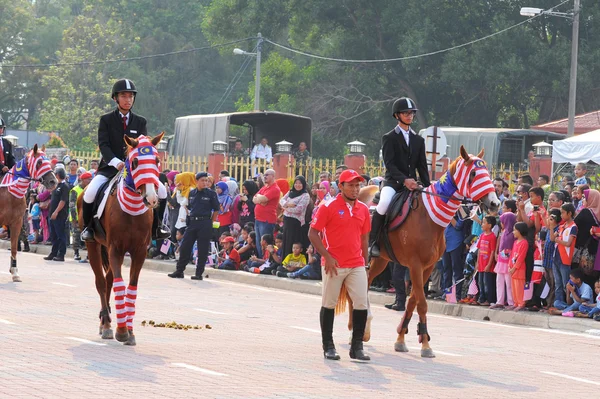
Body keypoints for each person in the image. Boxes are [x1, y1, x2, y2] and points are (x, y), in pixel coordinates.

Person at [80, 78, 169, 242]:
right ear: (116, 98)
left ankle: (157, 227)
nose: (128, 100)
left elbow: (143, 145)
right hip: (110, 167)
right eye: (124, 96)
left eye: (131, 96)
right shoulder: (106, 119)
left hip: (136, 170)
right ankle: (88, 228)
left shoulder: (140, 121)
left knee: (162, 191)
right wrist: (116, 162)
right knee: (90, 192)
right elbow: (103, 145)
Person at [309, 169, 371, 361]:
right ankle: (328, 345)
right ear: (341, 186)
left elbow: (364, 238)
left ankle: (357, 346)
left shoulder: (363, 209)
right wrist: (326, 256)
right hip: (333, 264)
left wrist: (365, 262)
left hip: (356, 263)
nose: (355, 189)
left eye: (358, 185)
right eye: (351, 185)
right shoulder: (328, 206)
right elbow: (313, 233)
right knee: (329, 303)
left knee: (361, 303)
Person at [370, 97, 431, 257]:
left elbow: (422, 167)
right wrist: (405, 180)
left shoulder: (418, 140)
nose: (409, 116)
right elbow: (389, 164)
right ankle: (373, 242)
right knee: (383, 204)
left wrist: (427, 186)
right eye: (406, 113)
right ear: (397, 115)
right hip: (393, 182)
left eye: (411, 113)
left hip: (413, 183)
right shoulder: (389, 137)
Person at [168, 172, 220, 280]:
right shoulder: (192, 193)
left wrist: (210, 222)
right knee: (185, 246)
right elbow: (189, 206)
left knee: (202, 249)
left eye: (206, 180)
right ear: (196, 181)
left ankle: (199, 273)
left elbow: (216, 209)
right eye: (202, 180)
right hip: (192, 222)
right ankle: (179, 271)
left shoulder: (211, 194)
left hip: (205, 223)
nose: (205, 182)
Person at [550, 203, 578, 305]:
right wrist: (551, 227)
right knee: (558, 283)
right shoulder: (561, 226)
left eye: (563, 213)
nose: (561, 215)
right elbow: (552, 238)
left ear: (569, 213)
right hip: (556, 257)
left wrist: (558, 241)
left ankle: (569, 303)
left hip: (565, 258)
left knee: (566, 282)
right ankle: (559, 303)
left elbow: (568, 243)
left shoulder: (573, 227)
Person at [490, 204, 517, 309]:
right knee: (499, 281)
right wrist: (497, 253)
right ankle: (499, 301)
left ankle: (511, 302)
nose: (501, 223)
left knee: (509, 283)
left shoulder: (513, 234)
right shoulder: (504, 232)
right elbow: (500, 244)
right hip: (501, 260)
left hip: (509, 261)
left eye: (503, 221)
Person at [280, 176, 311, 259]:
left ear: (303, 184)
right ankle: (285, 263)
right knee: (286, 242)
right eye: (296, 183)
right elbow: (281, 200)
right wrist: (289, 205)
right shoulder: (290, 192)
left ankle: (293, 265)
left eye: (300, 183)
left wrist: (286, 207)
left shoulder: (305, 195)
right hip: (287, 221)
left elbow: (299, 209)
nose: (298, 185)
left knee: (293, 244)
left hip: (296, 223)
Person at [252, 169, 281, 258]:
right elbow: (254, 198)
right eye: (264, 175)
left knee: (265, 242)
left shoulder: (275, 188)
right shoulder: (265, 188)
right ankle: (261, 260)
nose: (265, 177)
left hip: (267, 220)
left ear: (273, 176)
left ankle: (266, 260)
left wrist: (261, 200)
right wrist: (260, 200)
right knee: (259, 242)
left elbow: (263, 199)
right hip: (258, 219)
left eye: (267, 175)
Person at [43, 169, 70, 262]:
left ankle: (61, 254)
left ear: (57, 175)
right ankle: (53, 253)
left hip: (60, 215)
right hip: (52, 214)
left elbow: (63, 201)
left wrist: (56, 212)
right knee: (54, 235)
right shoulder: (56, 186)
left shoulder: (64, 186)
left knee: (60, 235)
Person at [69, 171, 92, 261]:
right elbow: (72, 205)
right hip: (77, 217)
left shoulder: (90, 189)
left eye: (91, 179)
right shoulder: (75, 190)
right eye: (88, 179)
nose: (90, 181)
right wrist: (75, 219)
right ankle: (76, 253)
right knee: (76, 236)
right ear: (82, 180)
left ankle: (89, 255)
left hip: (87, 217)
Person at [476, 216, 498, 306]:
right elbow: (479, 250)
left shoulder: (492, 237)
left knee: (487, 282)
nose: (482, 224)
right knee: (480, 282)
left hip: (487, 264)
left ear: (489, 225)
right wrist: (477, 262)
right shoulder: (482, 235)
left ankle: (489, 299)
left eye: (484, 222)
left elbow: (492, 251)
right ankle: (482, 298)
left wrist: (489, 264)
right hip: (481, 263)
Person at [509, 222, 529, 311]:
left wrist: (514, 268)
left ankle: (521, 303)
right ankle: (516, 302)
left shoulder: (524, 243)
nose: (513, 232)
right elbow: (512, 254)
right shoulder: (515, 242)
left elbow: (521, 257)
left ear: (520, 231)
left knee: (519, 287)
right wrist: (510, 266)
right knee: (514, 287)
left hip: (519, 269)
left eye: (515, 230)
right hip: (513, 268)